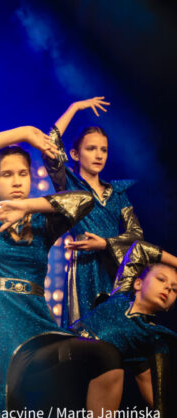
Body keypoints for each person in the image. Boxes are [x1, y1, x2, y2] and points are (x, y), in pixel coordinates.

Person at [0, 126, 124, 418]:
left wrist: (25, 206)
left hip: (38, 327)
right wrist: (25, 133)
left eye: (23, 173)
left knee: (107, 357)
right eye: (7, 174)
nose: (17, 181)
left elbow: (85, 199)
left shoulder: (43, 222)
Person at [8, 240, 177, 418]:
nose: (168, 288)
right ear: (138, 283)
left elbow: (156, 396)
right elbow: (139, 249)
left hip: (73, 389)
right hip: (52, 359)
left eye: (175, 289)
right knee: (107, 354)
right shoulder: (121, 293)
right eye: (161, 279)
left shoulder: (152, 336)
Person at [45, 97, 143, 327]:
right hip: (84, 267)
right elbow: (49, 145)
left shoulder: (117, 192)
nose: (99, 155)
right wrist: (75, 107)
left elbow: (136, 234)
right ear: (75, 154)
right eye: (91, 149)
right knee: (86, 331)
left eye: (103, 150)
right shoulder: (70, 184)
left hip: (116, 267)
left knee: (119, 330)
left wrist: (105, 244)